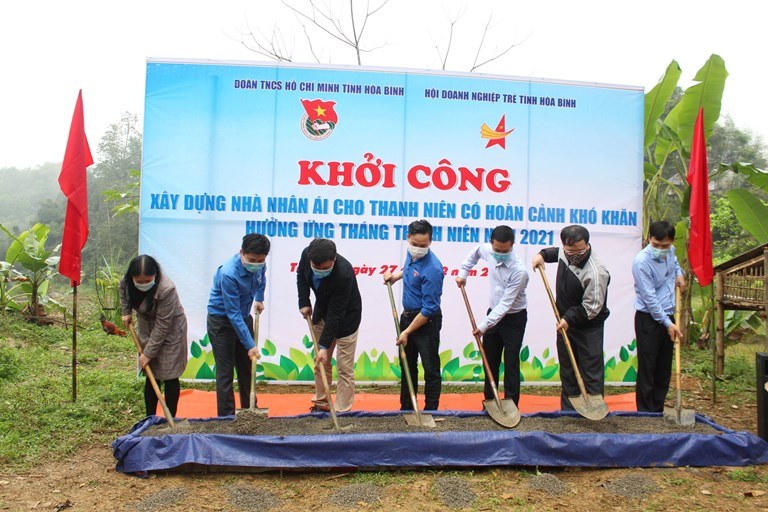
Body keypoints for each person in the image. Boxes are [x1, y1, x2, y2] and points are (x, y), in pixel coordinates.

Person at [532, 225, 610, 411]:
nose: (573, 255)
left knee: (590, 372)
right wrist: (542, 255)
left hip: (588, 327)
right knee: (568, 371)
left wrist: (568, 318)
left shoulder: (596, 272)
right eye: (569, 251)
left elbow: (592, 307)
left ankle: (594, 413)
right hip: (565, 324)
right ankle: (568, 413)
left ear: (587, 245)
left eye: (578, 251)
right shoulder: (566, 252)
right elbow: (556, 253)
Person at [456, 225, 529, 405]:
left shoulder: (519, 271)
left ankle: (511, 404)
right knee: (490, 360)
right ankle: (490, 401)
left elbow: (505, 304)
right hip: (492, 314)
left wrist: (483, 326)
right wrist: (463, 273)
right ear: (491, 244)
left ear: (512, 246)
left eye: (505, 251)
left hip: (513, 318)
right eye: (497, 250)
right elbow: (475, 252)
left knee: (511, 361)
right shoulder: (488, 250)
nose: (500, 254)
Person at [384, 219, 444, 411]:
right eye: (415, 244)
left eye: (423, 245)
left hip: (426, 321)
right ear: (408, 238)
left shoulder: (433, 269)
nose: (418, 248)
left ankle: (430, 410)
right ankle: (407, 408)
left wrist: (407, 332)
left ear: (430, 241)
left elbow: (429, 309)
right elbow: (411, 270)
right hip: (407, 317)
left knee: (430, 368)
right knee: (407, 366)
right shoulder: (411, 253)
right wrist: (395, 276)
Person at [207, 233, 270, 417]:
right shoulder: (228, 274)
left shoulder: (260, 264)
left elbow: (261, 280)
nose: (256, 263)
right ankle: (226, 417)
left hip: (243, 316)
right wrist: (250, 345)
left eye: (260, 260)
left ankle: (250, 411)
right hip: (222, 322)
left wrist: (259, 298)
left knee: (247, 368)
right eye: (252, 260)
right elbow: (232, 313)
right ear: (242, 253)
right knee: (225, 372)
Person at [297, 238, 362, 412]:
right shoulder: (307, 255)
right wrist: (304, 301)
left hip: (346, 319)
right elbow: (301, 276)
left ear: (334, 258)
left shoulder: (344, 273)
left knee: (344, 368)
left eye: (325, 268)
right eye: (316, 267)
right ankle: (321, 403)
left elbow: (336, 313)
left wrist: (325, 346)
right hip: (322, 313)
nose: (320, 271)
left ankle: (342, 410)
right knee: (320, 362)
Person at [120, 255, 188, 418]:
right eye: (139, 281)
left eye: (147, 280)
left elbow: (163, 325)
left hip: (171, 330)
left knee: (170, 375)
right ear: (132, 277)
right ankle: (149, 418)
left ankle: (171, 419)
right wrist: (126, 312)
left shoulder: (167, 289)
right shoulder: (126, 281)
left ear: (155, 275)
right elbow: (124, 293)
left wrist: (148, 354)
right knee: (151, 374)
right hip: (146, 326)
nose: (143, 284)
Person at [632, 220, 686, 412]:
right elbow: (649, 298)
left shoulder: (670, 251)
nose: (661, 249)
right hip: (649, 319)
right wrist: (666, 323)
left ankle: (658, 409)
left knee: (664, 367)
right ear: (649, 239)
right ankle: (645, 412)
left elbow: (675, 263)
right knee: (648, 366)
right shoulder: (641, 262)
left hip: (669, 316)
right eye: (656, 245)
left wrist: (679, 274)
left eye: (665, 246)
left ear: (671, 242)